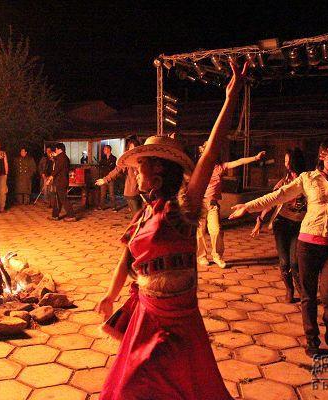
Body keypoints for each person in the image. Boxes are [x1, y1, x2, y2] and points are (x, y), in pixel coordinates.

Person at [96, 60, 249, 400]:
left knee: (186, 387)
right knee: (131, 386)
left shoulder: (182, 210)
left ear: (159, 173)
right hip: (147, 313)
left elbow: (210, 153)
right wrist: (110, 295)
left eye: (140, 168)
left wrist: (230, 98)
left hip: (180, 317)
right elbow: (126, 260)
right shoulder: (141, 217)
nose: (135, 174)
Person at [229, 137, 328, 356]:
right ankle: (311, 339)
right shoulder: (308, 178)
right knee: (308, 295)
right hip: (308, 243)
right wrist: (249, 206)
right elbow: (279, 195)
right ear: (321, 156)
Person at [250, 148, 307, 302]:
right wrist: (260, 220)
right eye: (285, 161)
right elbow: (271, 201)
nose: (286, 164)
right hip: (282, 224)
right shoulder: (284, 182)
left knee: (295, 262)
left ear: (295, 162)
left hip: (300, 225)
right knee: (284, 261)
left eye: (288, 161)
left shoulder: (307, 180)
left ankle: (303, 293)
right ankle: (289, 290)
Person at [197, 145, 266, 268]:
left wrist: (255, 158)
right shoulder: (199, 167)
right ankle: (201, 257)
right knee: (200, 232)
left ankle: (217, 256)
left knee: (216, 230)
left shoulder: (220, 167)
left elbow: (239, 161)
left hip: (213, 205)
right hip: (200, 204)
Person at [95, 136, 142, 216]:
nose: (132, 150)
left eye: (134, 148)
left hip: (140, 191)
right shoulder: (127, 160)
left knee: (140, 214)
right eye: (130, 148)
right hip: (131, 191)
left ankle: (114, 207)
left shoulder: (142, 159)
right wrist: (105, 179)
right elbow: (117, 170)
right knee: (136, 215)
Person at [47, 143, 77, 222]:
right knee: (58, 199)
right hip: (61, 181)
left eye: (56, 149)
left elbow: (57, 169)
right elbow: (56, 160)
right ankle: (55, 216)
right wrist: (53, 156)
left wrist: (50, 178)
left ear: (59, 149)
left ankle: (71, 216)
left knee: (63, 199)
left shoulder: (62, 158)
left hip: (61, 181)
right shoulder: (63, 157)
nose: (55, 151)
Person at [98, 144, 117, 210]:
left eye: (105, 149)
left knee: (111, 193)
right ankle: (102, 206)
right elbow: (100, 166)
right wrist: (106, 167)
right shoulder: (103, 158)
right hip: (103, 177)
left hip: (111, 178)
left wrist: (105, 167)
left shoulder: (114, 158)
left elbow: (112, 167)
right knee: (102, 194)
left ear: (109, 150)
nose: (103, 150)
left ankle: (113, 207)